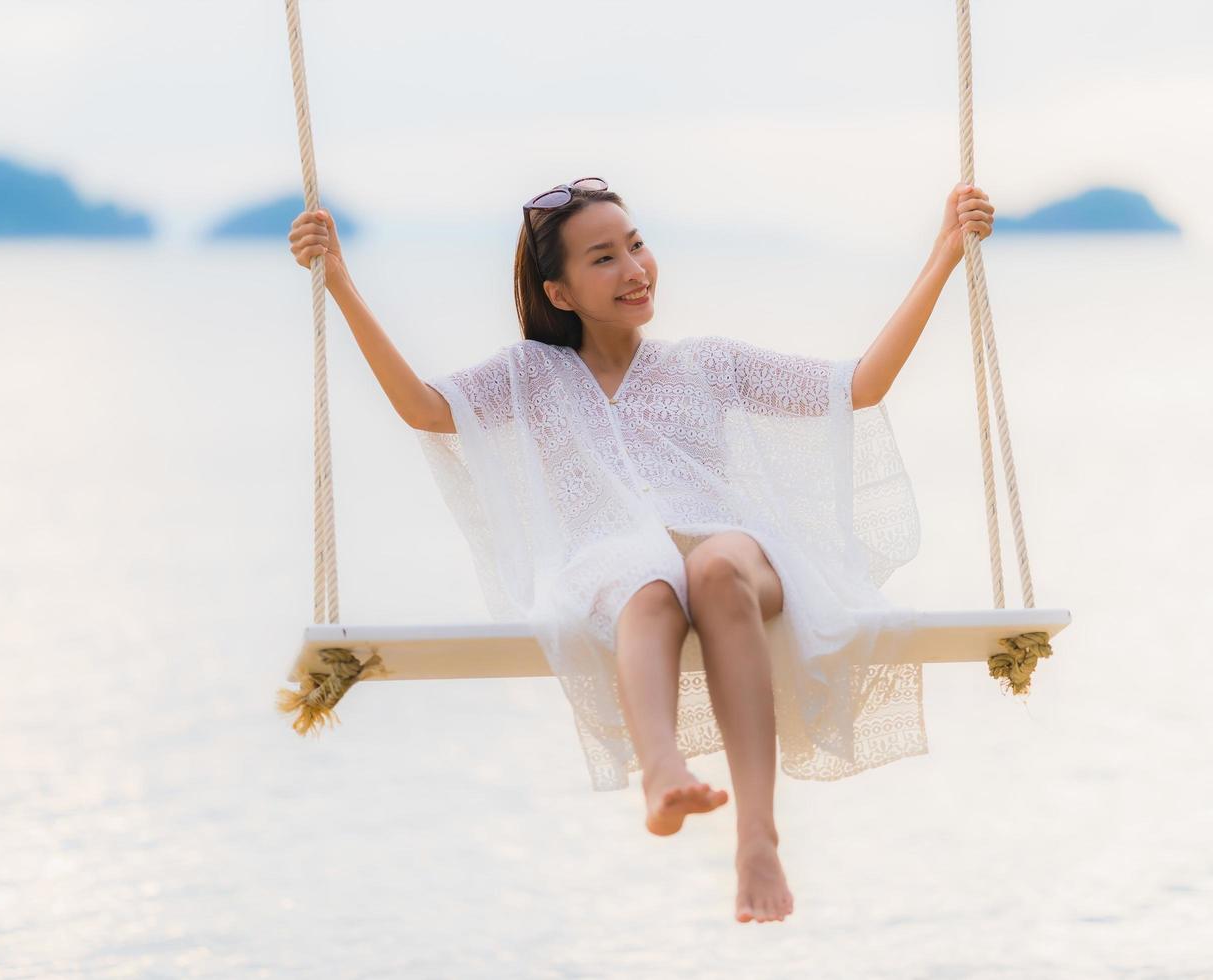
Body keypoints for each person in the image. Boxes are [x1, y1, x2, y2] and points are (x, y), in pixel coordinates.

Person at [288, 179, 994, 924]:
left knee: (709, 566)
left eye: (636, 244)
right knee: (644, 578)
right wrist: (338, 279)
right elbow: (423, 409)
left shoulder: (708, 364)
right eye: (604, 258)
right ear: (559, 293)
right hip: (615, 572)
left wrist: (944, 256)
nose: (634, 268)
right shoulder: (531, 378)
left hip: (736, 557)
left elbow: (857, 386)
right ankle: (663, 775)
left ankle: (758, 834)